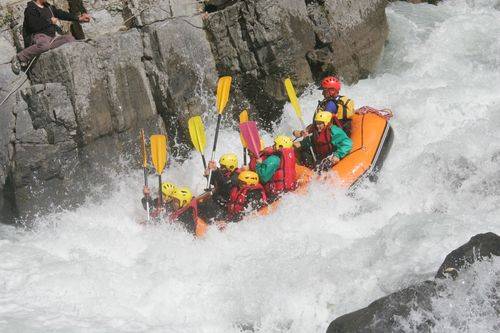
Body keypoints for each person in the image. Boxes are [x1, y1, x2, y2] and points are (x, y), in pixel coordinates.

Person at [11, 0, 91, 75]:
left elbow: (62, 14)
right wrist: (49, 21)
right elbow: (33, 26)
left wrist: (79, 18)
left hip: (51, 39)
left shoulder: (49, 7)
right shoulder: (30, 9)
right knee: (44, 46)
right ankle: (19, 57)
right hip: (38, 37)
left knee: (69, 39)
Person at [198, 153, 240, 222]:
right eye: (220, 166)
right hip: (218, 201)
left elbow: (224, 184)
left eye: (223, 167)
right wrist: (208, 175)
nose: (221, 168)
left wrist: (216, 170)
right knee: (200, 204)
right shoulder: (225, 173)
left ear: (231, 167)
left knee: (205, 207)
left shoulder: (236, 177)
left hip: (225, 207)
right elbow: (216, 182)